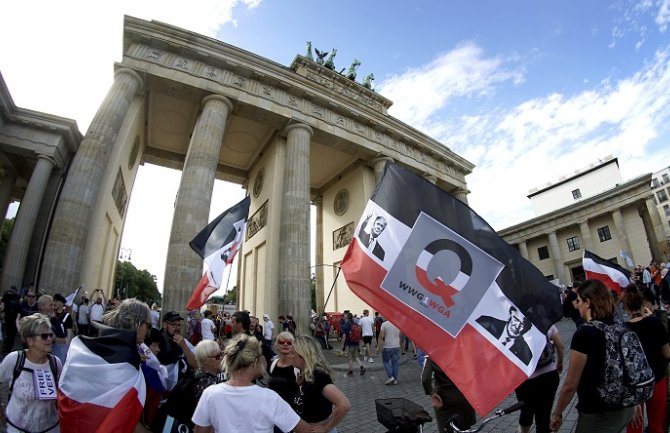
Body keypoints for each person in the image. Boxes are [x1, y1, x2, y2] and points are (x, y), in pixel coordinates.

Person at [551, 280, 636, 433]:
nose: (577, 305)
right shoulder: (619, 324)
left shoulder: (584, 334)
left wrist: (557, 413)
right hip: (625, 406)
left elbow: (570, 385)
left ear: (588, 302)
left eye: (579, 301)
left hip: (598, 412)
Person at [58, 298, 151, 433]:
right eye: (148, 326)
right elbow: (124, 415)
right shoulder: (127, 364)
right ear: (137, 324)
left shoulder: (84, 348)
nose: (148, 332)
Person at [192, 334, 311, 433]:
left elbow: (200, 430)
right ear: (255, 363)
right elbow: (303, 429)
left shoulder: (210, 393)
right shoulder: (269, 397)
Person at [0, 313, 62, 433]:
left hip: (50, 428)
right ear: (30, 340)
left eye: (50, 335)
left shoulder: (55, 363)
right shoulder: (15, 360)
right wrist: (2, 417)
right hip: (17, 428)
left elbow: (61, 396)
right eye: (44, 336)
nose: (49, 339)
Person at [622, 285, 670, 433]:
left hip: (634, 385)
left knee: (634, 427)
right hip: (657, 378)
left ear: (626, 308)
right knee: (657, 426)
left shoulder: (622, 329)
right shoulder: (655, 322)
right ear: (643, 303)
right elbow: (667, 353)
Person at [291, 335, 351, 433]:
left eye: (293, 353)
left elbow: (344, 404)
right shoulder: (306, 375)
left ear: (303, 355)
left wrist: (326, 427)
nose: (290, 356)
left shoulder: (319, 376)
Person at [162, 340, 224, 431]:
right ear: (205, 360)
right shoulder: (206, 383)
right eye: (218, 356)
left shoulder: (197, 373)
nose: (222, 358)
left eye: (222, 354)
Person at [514, 323, 564, 433]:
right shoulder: (546, 321)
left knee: (526, 410)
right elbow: (560, 345)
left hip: (524, 380)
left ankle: (523, 431)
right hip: (549, 375)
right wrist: (559, 363)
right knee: (544, 413)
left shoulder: (514, 324)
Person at [422, 356, 475, 433]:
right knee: (465, 428)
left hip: (444, 398)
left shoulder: (433, 356)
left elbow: (425, 379)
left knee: (445, 428)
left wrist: (432, 393)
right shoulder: (463, 353)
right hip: (463, 395)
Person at [157, 311, 197, 391]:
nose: (177, 328)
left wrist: (184, 347)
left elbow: (195, 364)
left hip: (182, 388)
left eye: (179, 325)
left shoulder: (182, 341)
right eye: (173, 325)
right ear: (165, 325)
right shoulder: (156, 341)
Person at [268, 331, 299, 405]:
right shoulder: (272, 364)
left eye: (289, 342)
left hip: (292, 410)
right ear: (277, 345)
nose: (285, 344)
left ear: (293, 345)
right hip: (274, 407)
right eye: (281, 342)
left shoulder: (298, 366)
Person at [37, 294, 68, 364]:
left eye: (53, 305)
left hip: (49, 359)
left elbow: (63, 341)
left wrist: (53, 338)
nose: (53, 308)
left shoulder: (54, 320)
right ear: (42, 307)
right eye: (50, 305)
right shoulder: (33, 319)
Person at [377, 317, 400, 385]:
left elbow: (381, 336)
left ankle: (391, 376)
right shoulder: (398, 323)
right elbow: (401, 335)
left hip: (388, 346)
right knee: (395, 363)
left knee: (385, 361)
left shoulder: (384, 324)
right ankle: (395, 379)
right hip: (396, 346)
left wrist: (378, 347)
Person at [1, 287, 21, 355]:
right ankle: (7, 350)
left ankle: (4, 350)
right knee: (11, 337)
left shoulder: (6, 297)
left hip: (7, 318)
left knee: (6, 335)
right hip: (13, 320)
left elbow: (2, 307)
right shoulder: (17, 298)